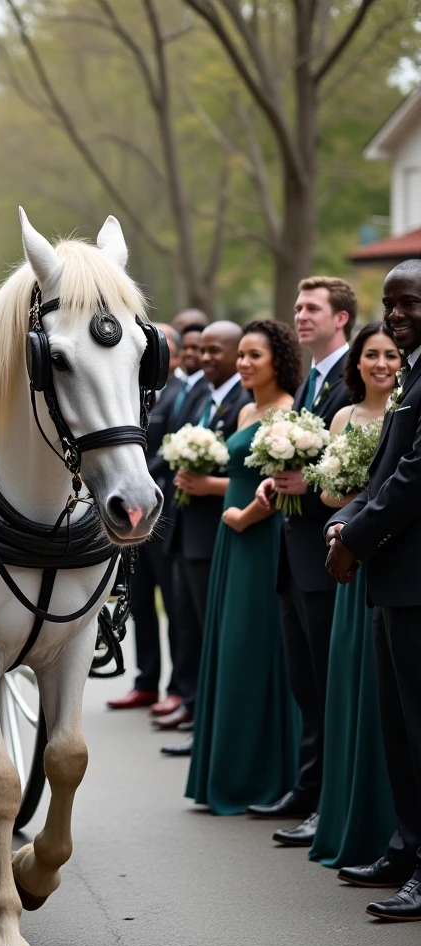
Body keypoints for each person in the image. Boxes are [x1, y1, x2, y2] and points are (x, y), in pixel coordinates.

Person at [325, 260, 421, 922]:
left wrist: (355, 536)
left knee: (419, 727)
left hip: (416, 579)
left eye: (407, 304)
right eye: (389, 305)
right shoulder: (416, 372)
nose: (394, 315)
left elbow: (415, 476)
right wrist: (350, 525)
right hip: (397, 578)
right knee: (398, 726)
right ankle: (406, 845)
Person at [281, 324, 398, 860]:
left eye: (390, 354)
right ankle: (338, 805)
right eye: (371, 354)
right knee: (342, 692)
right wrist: (353, 499)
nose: (380, 363)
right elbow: (326, 492)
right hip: (349, 557)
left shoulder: (405, 411)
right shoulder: (344, 417)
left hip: (389, 557)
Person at [185, 320, 303, 813]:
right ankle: (226, 772)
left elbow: (282, 486)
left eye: (255, 355)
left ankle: (262, 776)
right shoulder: (246, 412)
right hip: (233, 541)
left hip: (257, 537)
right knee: (229, 651)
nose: (244, 364)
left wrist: (241, 515)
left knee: (254, 650)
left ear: (278, 359)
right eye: (243, 356)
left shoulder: (288, 412)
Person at [249, 278, 354, 827]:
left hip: (328, 555)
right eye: (297, 307)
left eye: (312, 307)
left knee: (326, 683)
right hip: (291, 555)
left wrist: (307, 485)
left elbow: (353, 466)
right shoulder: (310, 381)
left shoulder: (351, 376)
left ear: (340, 318)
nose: (301, 315)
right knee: (304, 681)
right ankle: (307, 787)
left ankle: (327, 800)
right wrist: (276, 481)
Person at [158, 322, 250, 754]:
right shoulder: (201, 395)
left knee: (209, 627)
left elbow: (241, 473)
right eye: (204, 351)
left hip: (215, 530)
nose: (208, 357)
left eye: (217, 350)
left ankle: (204, 716)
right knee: (187, 623)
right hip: (184, 527)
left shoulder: (242, 401)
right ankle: (193, 704)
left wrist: (207, 485)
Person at [108, 324, 181, 710]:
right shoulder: (123, 388)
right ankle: (146, 681)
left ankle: (178, 688)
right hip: (127, 509)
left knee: (173, 605)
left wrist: (138, 478)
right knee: (139, 602)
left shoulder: (179, 393)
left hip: (160, 509)